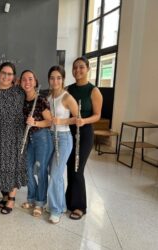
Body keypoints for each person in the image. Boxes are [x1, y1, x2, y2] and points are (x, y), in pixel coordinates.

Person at [66, 56, 103, 220]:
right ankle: (68, 201)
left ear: (88, 69)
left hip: (85, 131)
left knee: (77, 169)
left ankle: (80, 206)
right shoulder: (68, 89)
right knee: (69, 168)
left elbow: (97, 115)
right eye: (75, 67)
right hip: (69, 131)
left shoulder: (94, 91)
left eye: (81, 67)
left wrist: (83, 121)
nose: (77, 70)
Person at [0, 62, 27, 214]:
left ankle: (11, 199)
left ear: (14, 77)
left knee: (13, 166)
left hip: (16, 134)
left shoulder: (19, 91)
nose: (6, 76)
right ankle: (5, 195)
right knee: (0, 165)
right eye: (3, 73)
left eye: (10, 74)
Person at [46, 65, 78, 224]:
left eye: (58, 77)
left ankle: (56, 210)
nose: (55, 81)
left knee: (56, 174)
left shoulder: (67, 97)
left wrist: (62, 121)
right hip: (50, 136)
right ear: (49, 80)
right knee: (54, 174)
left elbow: (79, 119)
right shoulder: (48, 97)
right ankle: (62, 205)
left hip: (64, 138)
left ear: (63, 79)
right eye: (52, 78)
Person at [19, 70, 52, 218]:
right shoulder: (22, 99)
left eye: (30, 79)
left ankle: (40, 203)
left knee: (42, 170)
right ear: (20, 82)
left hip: (42, 137)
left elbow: (50, 121)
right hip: (29, 139)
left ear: (35, 82)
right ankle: (31, 199)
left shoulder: (41, 100)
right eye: (24, 79)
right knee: (28, 169)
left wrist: (35, 122)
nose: (27, 82)